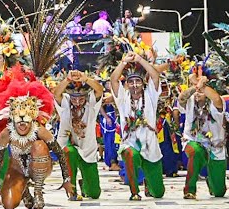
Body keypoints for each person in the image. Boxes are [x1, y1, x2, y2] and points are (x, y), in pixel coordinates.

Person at [109, 52, 164, 200]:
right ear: (126, 84)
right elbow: (113, 79)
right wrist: (123, 62)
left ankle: (149, 183)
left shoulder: (150, 95)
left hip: (150, 145)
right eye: (131, 82)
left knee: (158, 193)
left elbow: (155, 76)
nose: (134, 85)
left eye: (138, 82)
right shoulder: (122, 98)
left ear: (143, 83)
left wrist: (140, 60)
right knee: (129, 154)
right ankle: (134, 192)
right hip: (130, 143)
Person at [53, 69, 104, 200]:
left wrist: (85, 79)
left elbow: (99, 90)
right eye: (74, 99)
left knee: (94, 194)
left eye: (81, 99)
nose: (77, 102)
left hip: (88, 150)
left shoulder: (91, 104)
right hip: (70, 148)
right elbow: (56, 93)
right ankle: (72, 190)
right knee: (69, 152)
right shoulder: (65, 103)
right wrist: (68, 80)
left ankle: (85, 186)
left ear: (86, 97)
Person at [179, 67, 228, 199]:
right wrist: (196, 86)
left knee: (219, 192)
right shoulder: (190, 100)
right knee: (196, 151)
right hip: (193, 141)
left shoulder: (215, 102)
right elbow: (181, 99)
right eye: (196, 87)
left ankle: (212, 182)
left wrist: (201, 84)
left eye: (202, 88)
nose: (199, 91)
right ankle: (190, 190)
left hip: (215, 147)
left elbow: (217, 99)